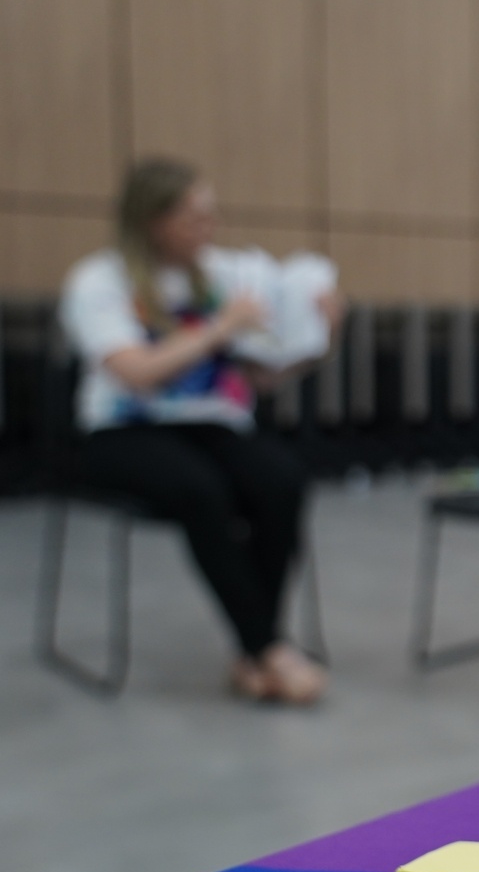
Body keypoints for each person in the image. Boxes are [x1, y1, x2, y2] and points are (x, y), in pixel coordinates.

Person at [60, 158, 341, 703]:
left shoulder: (222, 275)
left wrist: (319, 337)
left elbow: (261, 375)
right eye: (194, 218)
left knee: (281, 481)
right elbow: (136, 372)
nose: (209, 228)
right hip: (122, 430)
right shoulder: (99, 281)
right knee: (201, 491)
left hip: (211, 423)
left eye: (210, 215)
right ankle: (267, 647)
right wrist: (220, 326)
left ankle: (254, 652)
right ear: (154, 222)